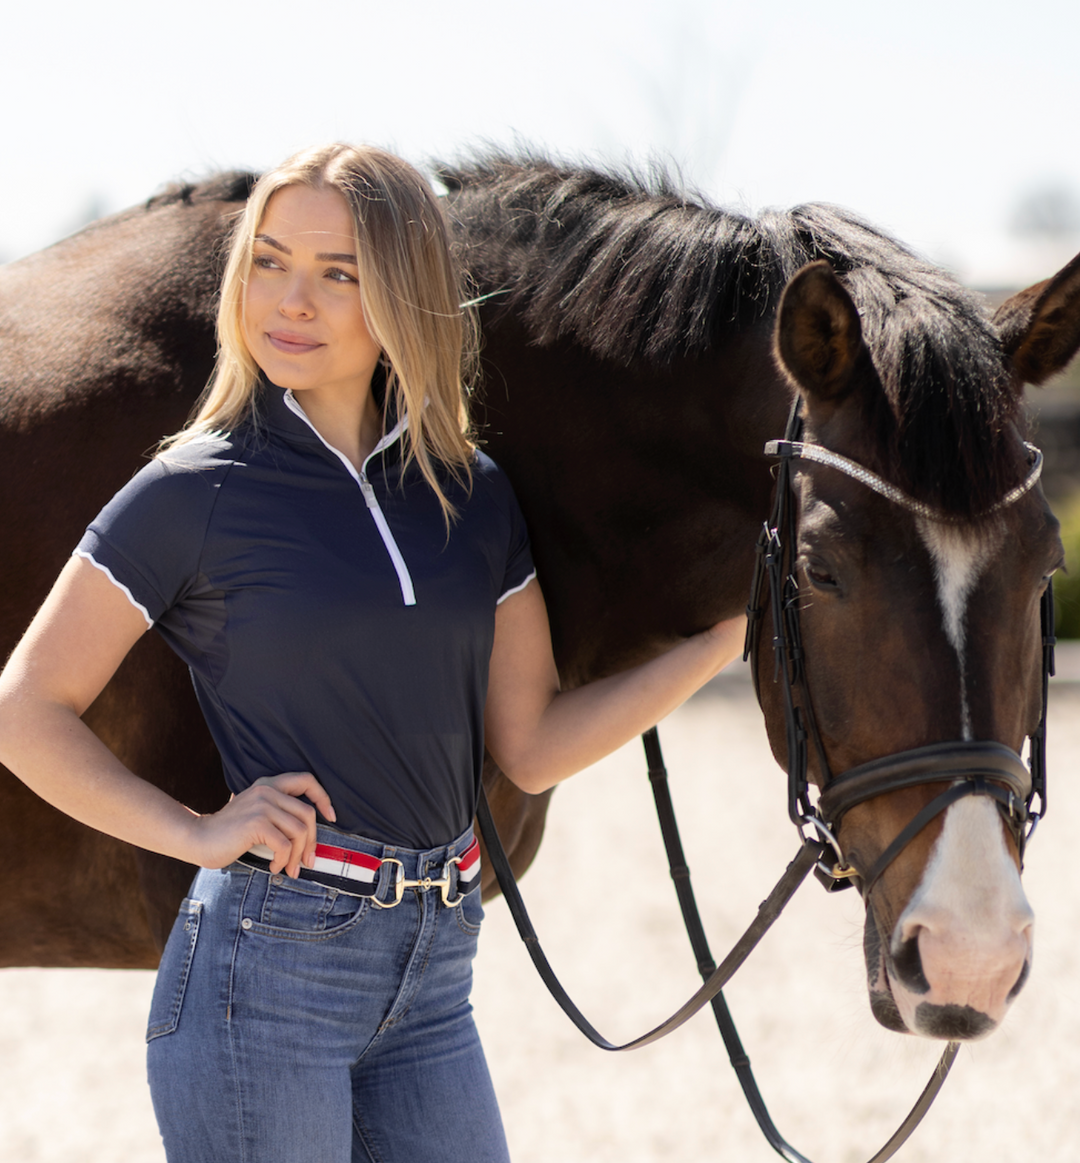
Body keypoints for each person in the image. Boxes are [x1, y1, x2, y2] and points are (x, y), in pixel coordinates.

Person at [0, 143, 745, 1163]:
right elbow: (25, 706)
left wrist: (717, 644)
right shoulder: (196, 488)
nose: (290, 299)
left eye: (336, 272)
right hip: (262, 978)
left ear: (406, 292)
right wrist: (195, 830)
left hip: (435, 977)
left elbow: (528, 744)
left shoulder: (470, 493)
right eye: (268, 261)